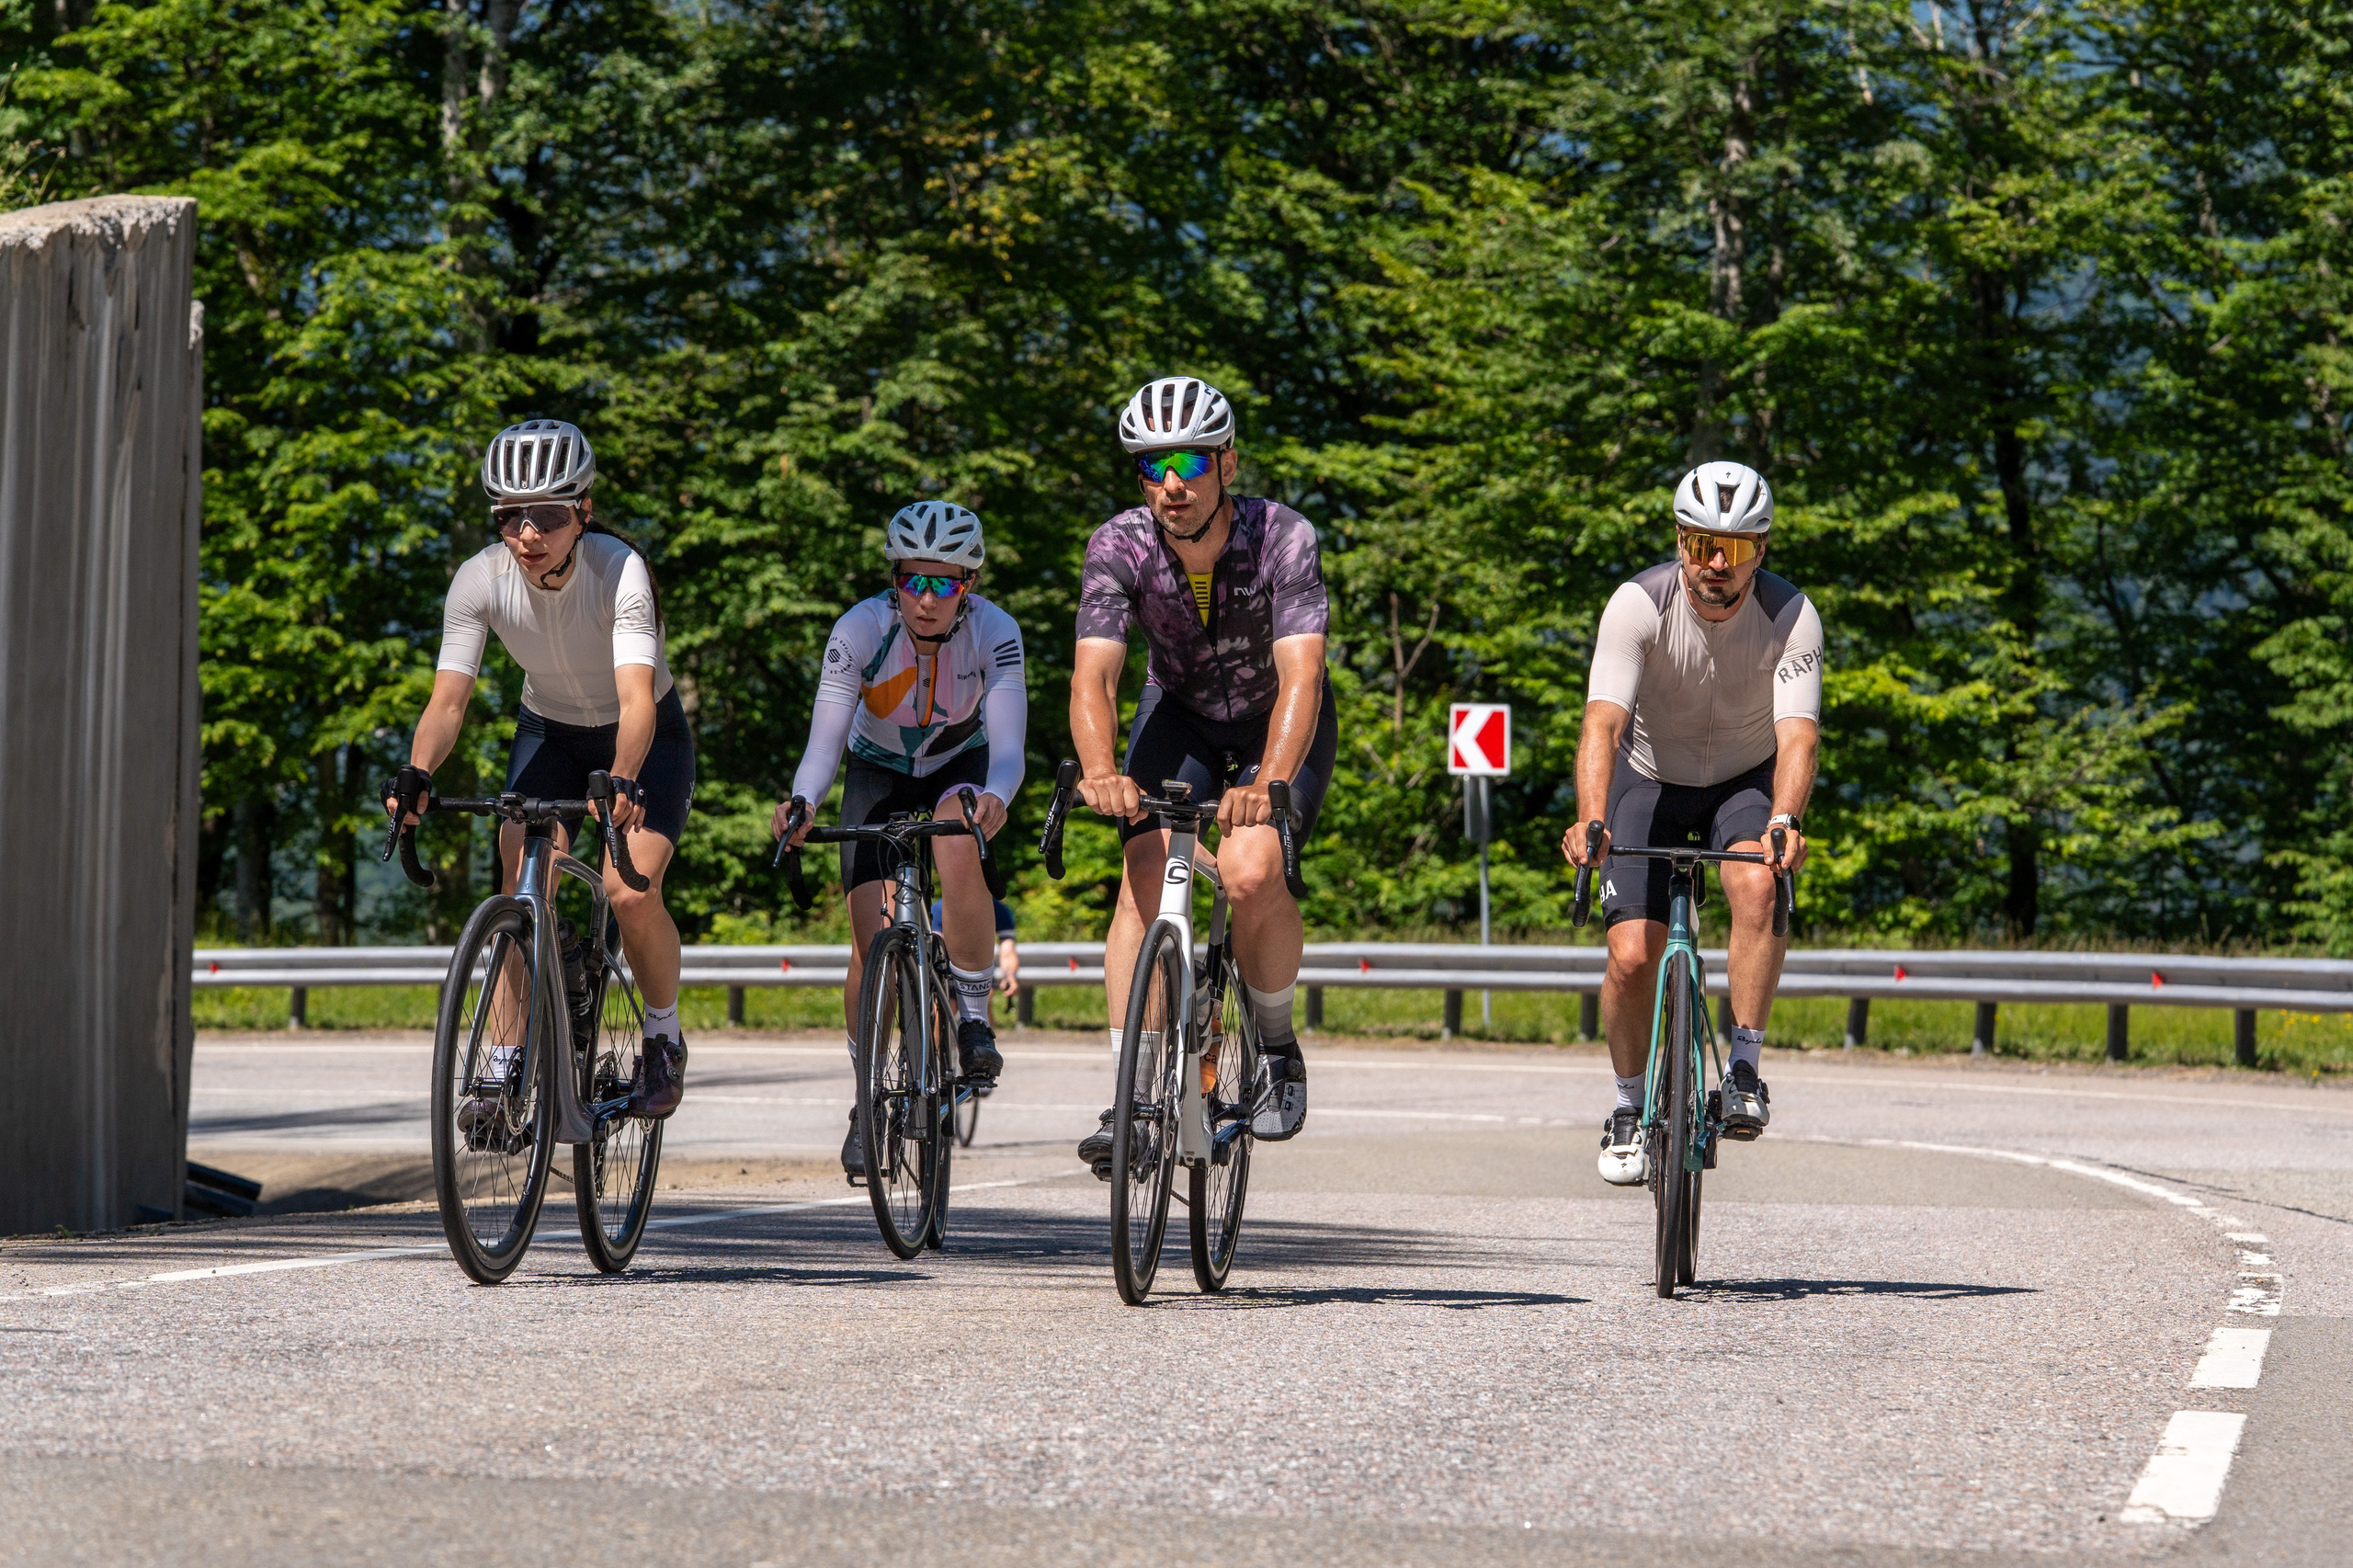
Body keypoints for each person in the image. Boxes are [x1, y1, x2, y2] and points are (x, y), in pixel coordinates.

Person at [385, 418, 697, 1123]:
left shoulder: (620, 570)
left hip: (642, 737)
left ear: (583, 511)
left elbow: (637, 699)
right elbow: (448, 700)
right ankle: (501, 1065)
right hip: (550, 730)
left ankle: (663, 1033)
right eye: (510, 517)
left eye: (549, 516)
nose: (528, 533)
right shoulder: (478, 580)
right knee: (521, 881)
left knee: (630, 891)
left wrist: (620, 780)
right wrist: (417, 770)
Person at [1069, 376, 1337, 1177]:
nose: (1172, 484)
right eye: (1153, 466)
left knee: (1252, 872)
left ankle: (1277, 1039)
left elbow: (1304, 679)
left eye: (1188, 461)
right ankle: (1131, 1093)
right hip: (1179, 709)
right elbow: (1095, 679)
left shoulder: (1284, 536)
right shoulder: (1118, 545)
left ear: (1225, 461)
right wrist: (1098, 770)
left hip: (1274, 718)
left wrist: (1269, 781)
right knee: (1141, 871)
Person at [1561, 460, 1821, 1186]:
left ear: (1759, 552)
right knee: (1634, 957)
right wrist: (1589, 819)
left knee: (1760, 886)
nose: (1716, 564)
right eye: (1703, 544)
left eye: (1734, 550)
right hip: (1649, 779)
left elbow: (1798, 736)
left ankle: (1743, 1065)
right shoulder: (1636, 605)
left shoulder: (1793, 615)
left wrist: (1785, 818)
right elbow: (1602, 723)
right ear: (1679, 541)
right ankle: (1624, 1104)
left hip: (1742, 783)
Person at [770, 502, 1027, 1181]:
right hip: (876, 772)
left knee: (955, 836)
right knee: (868, 945)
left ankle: (972, 1016)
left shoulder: (997, 633)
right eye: (913, 581)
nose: (925, 598)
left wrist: (995, 798)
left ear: (967, 587)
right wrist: (803, 802)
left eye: (943, 584)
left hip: (960, 767)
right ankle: (867, 1100)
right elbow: (824, 742)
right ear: (895, 581)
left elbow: (1008, 747)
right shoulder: (860, 629)